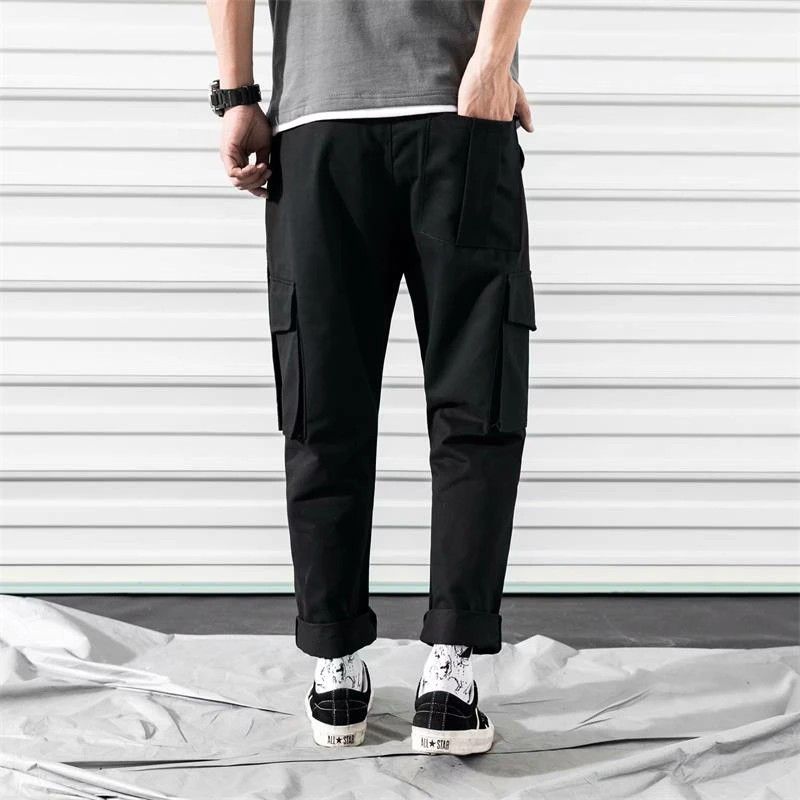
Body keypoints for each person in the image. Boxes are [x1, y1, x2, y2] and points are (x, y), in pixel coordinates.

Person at [206, 0, 536, 756]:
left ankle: (340, 671)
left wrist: (239, 95)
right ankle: (441, 677)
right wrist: (491, 60)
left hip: (336, 122)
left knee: (327, 404)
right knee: (472, 399)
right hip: (450, 110)